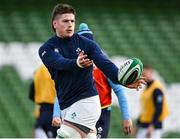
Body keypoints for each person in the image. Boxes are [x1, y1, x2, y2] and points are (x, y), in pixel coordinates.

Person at [38, 3, 145, 138]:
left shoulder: (87, 44)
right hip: (67, 105)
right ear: (55, 24)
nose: (70, 24)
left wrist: (121, 80)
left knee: (65, 135)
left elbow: (105, 64)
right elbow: (59, 63)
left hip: (86, 101)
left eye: (72, 21)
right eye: (65, 21)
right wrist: (76, 63)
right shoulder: (46, 49)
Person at [52, 23, 133, 138]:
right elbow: (61, 92)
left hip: (101, 114)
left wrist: (126, 117)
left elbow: (119, 90)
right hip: (79, 110)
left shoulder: (103, 66)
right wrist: (56, 115)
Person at [136, 65, 169, 138]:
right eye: (142, 75)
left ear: (151, 73)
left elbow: (159, 109)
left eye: (145, 74)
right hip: (144, 125)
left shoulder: (156, 89)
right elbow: (145, 109)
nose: (143, 77)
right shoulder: (147, 88)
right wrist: (137, 124)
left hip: (152, 127)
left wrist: (152, 126)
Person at [29, 64, 58, 138]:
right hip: (55, 112)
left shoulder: (39, 70)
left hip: (41, 112)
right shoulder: (58, 68)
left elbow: (31, 94)